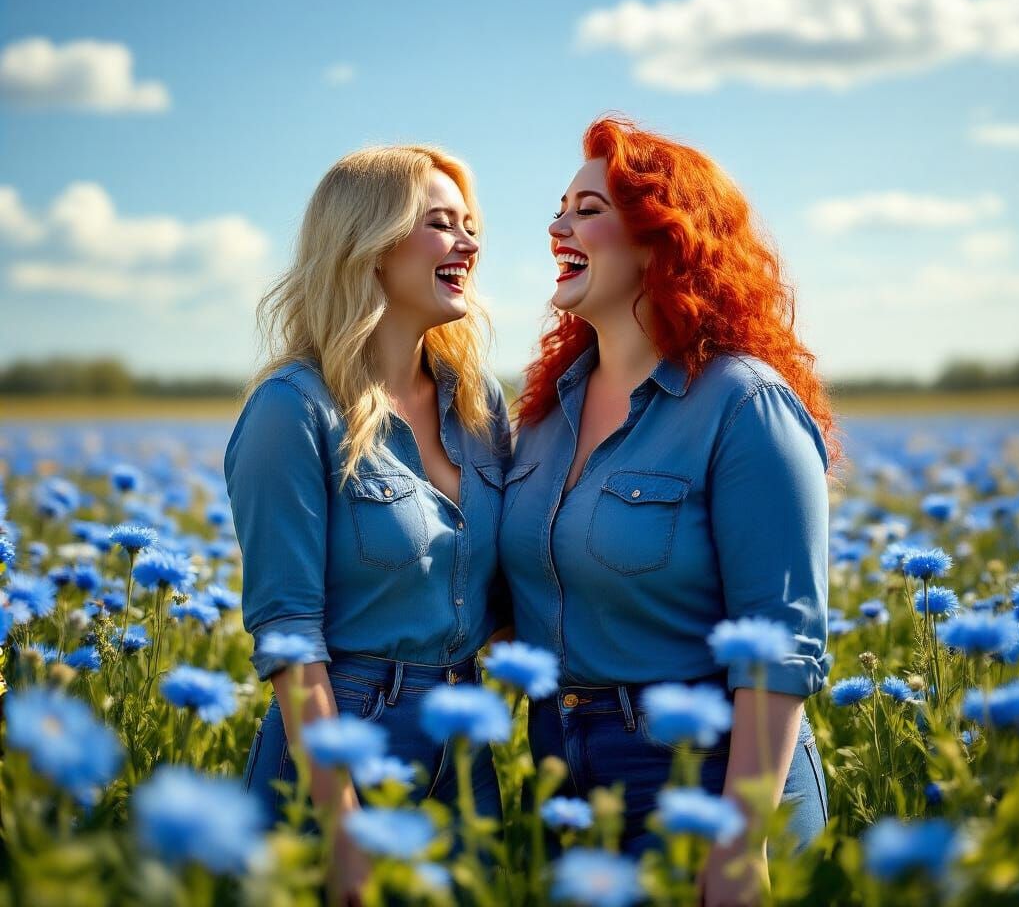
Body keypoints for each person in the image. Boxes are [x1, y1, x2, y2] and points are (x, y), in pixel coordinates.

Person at [497, 115, 837, 906]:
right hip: (563, 774)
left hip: (706, 777)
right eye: (559, 209)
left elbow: (781, 647)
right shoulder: (545, 412)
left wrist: (740, 840)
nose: (557, 227)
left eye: (587, 210)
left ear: (663, 239)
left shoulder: (742, 403)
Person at [224, 144, 511, 905]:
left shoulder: (477, 401)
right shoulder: (293, 410)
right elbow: (290, 638)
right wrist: (341, 826)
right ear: (371, 246)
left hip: (465, 745)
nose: (467, 243)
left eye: (470, 225)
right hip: (344, 740)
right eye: (440, 223)